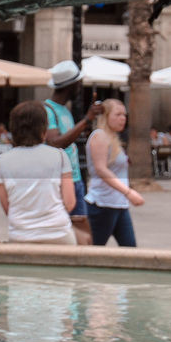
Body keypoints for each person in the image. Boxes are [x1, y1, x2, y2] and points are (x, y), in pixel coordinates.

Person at [0, 100, 76, 244]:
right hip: (59, 233)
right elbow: (69, 203)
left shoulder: (3, 160)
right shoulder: (60, 156)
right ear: (43, 130)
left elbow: (7, 205)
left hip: (20, 235)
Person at [43, 60, 101, 241]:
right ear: (71, 85)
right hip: (60, 181)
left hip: (73, 178)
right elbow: (55, 143)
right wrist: (86, 119)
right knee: (80, 232)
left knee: (80, 230)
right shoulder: (48, 110)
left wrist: (86, 125)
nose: (80, 87)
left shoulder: (64, 111)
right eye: (78, 83)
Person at [84, 98, 144, 246]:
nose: (123, 118)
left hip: (119, 204)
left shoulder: (113, 138)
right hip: (102, 204)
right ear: (106, 116)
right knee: (94, 250)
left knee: (130, 250)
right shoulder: (100, 136)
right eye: (117, 114)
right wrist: (128, 192)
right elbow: (101, 169)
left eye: (124, 115)